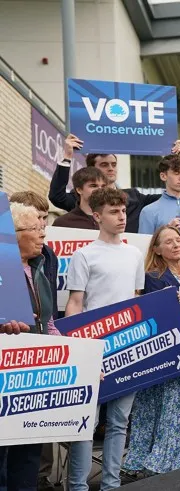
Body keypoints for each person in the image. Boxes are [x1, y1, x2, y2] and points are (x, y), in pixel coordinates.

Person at [65, 188, 146, 491]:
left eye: (123, 210)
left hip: (126, 345)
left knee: (119, 422)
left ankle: (111, 484)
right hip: (92, 347)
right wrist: (78, 350)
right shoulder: (84, 254)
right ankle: (78, 486)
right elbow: (75, 303)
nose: (121, 216)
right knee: (85, 422)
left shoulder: (135, 254)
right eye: (113, 211)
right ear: (97, 216)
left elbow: (136, 300)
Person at [124, 226, 180, 479]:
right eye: (168, 242)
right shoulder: (152, 276)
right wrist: (166, 300)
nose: (175, 245)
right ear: (157, 249)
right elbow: (148, 312)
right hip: (167, 352)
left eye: (178, 240)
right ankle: (154, 462)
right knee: (163, 409)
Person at [0, 203, 61, 491]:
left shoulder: (40, 268)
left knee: (28, 454)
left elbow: (48, 323)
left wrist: (79, 360)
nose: (43, 234)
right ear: (13, 235)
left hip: (33, 376)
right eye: (36, 229)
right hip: (5, 377)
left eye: (42, 227)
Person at [48, 135, 180, 233]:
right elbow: (56, 196)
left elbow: (170, 197)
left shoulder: (135, 197)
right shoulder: (83, 198)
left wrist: (177, 161)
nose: (111, 168)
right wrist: (67, 156)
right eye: (104, 165)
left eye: (113, 164)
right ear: (92, 169)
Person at [138, 154, 180, 234]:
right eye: (176, 173)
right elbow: (144, 246)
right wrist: (167, 232)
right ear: (163, 176)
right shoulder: (148, 212)